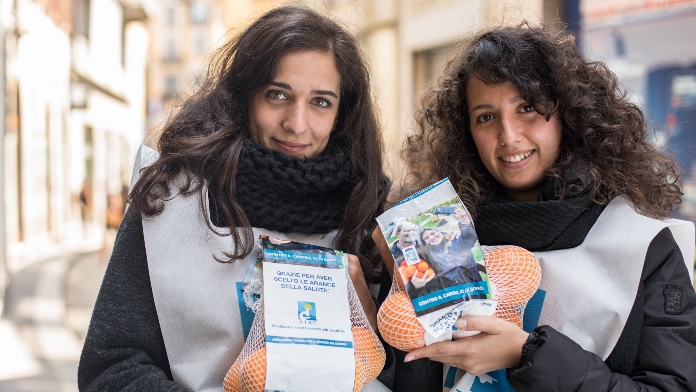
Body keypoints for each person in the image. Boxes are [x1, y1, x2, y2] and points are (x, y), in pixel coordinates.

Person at [78, 7, 390, 392]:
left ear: (343, 113)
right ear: (243, 97)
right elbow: (110, 368)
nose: (297, 123)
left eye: (321, 102)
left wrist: (372, 324)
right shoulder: (172, 197)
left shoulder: (370, 210)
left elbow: (414, 371)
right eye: (277, 95)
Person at [386, 24, 696, 391]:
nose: (509, 136)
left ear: (570, 114)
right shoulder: (436, 237)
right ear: (466, 133)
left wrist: (529, 354)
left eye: (528, 108)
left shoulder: (641, 241)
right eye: (486, 117)